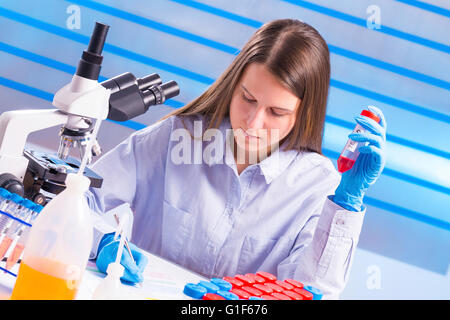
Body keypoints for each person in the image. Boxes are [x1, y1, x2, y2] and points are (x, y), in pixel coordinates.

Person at [86, 19, 386, 299]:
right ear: (233, 86)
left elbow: (310, 290)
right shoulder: (177, 138)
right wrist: (100, 241)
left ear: (303, 113)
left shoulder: (315, 186)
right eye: (248, 99)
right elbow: (78, 197)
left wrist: (346, 203)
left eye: (276, 112)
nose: (253, 123)